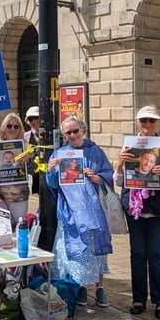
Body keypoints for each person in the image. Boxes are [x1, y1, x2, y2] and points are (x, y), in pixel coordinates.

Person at [116, 105, 160, 319]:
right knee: (137, 254)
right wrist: (119, 165)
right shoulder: (129, 146)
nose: (147, 125)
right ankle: (138, 299)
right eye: (143, 120)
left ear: (157, 123)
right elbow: (118, 182)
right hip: (134, 209)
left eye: (151, 121)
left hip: (158, 209)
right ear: (137, 122)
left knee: (155, 253)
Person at [47, 115, 114, 308]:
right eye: (68, 132)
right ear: (64, 135)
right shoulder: (59, 154)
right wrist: (51, 171)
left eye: (76, 130)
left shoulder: (95, 151)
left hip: (93, 211)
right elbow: (52, 185)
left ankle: (100, 287)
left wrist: (97, 178)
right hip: (70, 210)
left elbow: (108, 175)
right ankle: (80, 285)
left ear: (83, 130)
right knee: (75, 251)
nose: (73, 135)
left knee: (96, 249)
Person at [0, 113, 30, 227]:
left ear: (20, 129)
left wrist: (29, 162)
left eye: (16, 126)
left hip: (19, 199)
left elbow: (34, 169)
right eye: (9, 126)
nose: (12, 129)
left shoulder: (26, 146)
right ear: (4, 127)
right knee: (0, 234)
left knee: (18, 232)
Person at [23, 106, 40, 194]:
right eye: (30, 119)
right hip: (35, 173)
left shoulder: (52, 134)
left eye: (36, 118)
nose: (34, 121)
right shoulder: (25, 136)